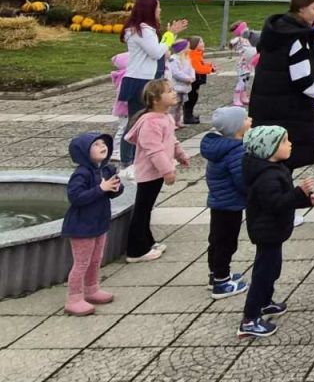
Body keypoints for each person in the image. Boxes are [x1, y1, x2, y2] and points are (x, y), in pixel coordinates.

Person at [249, 0, 314, 173]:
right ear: (301, 8)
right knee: (283, 161)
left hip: (266, 102)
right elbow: (302, 79)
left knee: (267, 159)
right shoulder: (297, 38)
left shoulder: (277, 30)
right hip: (287, 108)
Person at [239, 126, 314, 338]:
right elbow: (276, 204)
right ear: (269, 148)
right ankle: (250, 318)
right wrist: (299, 192)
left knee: (272, 269)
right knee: (263, 274)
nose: (290, 144)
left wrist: (306, 199)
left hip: (274, 230)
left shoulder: (275, 168)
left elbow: (285, 199)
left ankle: (265, 302)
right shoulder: (266, 177)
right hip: (267, 231)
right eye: (284, 141)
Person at [123, 79, 189, 263]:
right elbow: (154, 150)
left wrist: (180, 155)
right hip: (149, 172)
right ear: (155, 99)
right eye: (169, 91)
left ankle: (147, 242)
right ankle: (135, 250)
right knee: (142, 210)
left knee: (147, 208)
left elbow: (171, 140)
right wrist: (168, 171)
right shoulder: (150, 122)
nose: (174, 93)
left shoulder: (166, 118)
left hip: (157, 172)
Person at [118, 0, 187, 170]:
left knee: (144, 121)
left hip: (143, 78)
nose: (160, 10)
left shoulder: (143, 30)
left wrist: (169, 35)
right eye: (157, 7)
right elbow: (156, 52)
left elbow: (158, 50)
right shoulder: (142, 30)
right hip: (139, 80)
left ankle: (138, 157)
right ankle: (127, 160)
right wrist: (170, 35)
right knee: (135, 122)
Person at [61, 132, 122, 315]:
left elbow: (112, 191)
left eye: (103, 143)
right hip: (81, 227)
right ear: (83, 152)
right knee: (82, 263)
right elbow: (76, 197)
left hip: (99, 223)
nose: (102, 146)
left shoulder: (106, 170)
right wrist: (100, 189)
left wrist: (115, 188)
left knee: (96, 259)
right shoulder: (81, 174)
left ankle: (91, 289)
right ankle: (74, 298)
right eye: (96, 144)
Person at [203, 106, 252, 299]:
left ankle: (215, 274)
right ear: (236, 127)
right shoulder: (235, 150)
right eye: (246, 119)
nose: (250, 120)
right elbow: (241, 179)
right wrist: (252, 192)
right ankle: (221, 282)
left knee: (216, 240)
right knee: (226, 243)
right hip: (230, 203)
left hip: (218, 201)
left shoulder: (219, 147)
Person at [185, 36, 214, 125]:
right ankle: (187, 117)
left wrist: (209, 66)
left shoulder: (197, 53)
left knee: (194, 97)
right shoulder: (193, 55)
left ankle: (190, 115)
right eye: (200, 42)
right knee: (191, 98)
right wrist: (210, 69)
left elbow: (201, 64)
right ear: (194, 44)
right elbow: (198, 69)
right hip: (193, 80)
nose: (203, 43)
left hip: (196, 80)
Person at [166, 39, 195, 128]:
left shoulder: (187, 58)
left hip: (184, 87)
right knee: (173, 106)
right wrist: (187, 78)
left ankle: (178, 121)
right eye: (187, 47)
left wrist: (192, 77)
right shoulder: (174, 59)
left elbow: (191, 69)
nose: (189, 49)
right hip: (176, 86)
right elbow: (176, 72)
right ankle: (171, 123)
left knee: (180, 105)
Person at [230, 21, 258, 108]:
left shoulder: (245, 39)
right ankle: (236, 99)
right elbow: (232, 43)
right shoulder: (239, 39)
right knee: (241, 82)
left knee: (246, 81)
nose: (247, 30)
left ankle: (243, 97)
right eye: (245, 29)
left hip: (247, 64)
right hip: (243, 65)